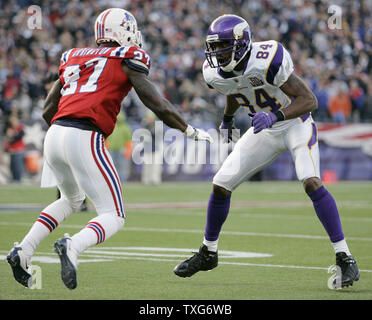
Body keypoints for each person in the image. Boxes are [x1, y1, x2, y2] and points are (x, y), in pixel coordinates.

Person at [7, 8, 212, 290]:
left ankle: (24, 250)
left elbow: (47, 109)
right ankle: (73, 245)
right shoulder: (127, 58)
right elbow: (156, 103)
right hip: (85, 133)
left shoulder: (74, 57)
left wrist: (65, 130)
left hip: (54, 133)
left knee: (71, 199)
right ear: (124, 31)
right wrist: (188, 129)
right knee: (113, 215)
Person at [173, 14, 359, 289]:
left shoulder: (267, 58)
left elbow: (309, 100)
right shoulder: (214, 73)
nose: (217, 53)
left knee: (310, 181)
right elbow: (234, 88)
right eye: (214, 47)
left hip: (295, 123)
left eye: (223, 46)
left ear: (241, 43)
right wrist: (227, 118)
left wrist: (275, 116)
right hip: (265, 130)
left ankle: (345, 256)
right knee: (221, 184)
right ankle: (208, 252)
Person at [106, 111, 132, 183]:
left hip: (121, 149)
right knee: (111, 166)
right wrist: (106, 148)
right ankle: (112, 181)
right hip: (111, 149)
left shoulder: (126, 128)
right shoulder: (111, 125)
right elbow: (107, 138)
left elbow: (129, 141)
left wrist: (128, 151)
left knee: (122, 166)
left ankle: (122, 181)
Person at [4, 114, 26, 183]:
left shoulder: (20, 128)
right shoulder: (10, 128)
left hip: (19, 150)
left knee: (18, 166)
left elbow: (19, 136)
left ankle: (18, 179)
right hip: (12, 150)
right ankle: (14, 179)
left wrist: (12, 135)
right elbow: (8, 139)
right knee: (12, 166)